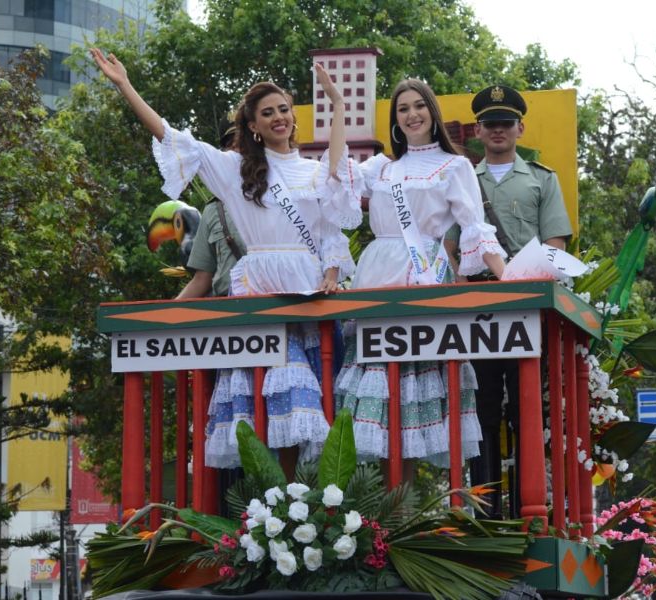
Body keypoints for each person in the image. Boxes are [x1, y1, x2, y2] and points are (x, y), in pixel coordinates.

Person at [90, 48, 362, 473]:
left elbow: (330, 233)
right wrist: (126, 86)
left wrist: (340, 106)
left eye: (284, 109)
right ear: (252, 126)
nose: (279, 118)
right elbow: (170, 136)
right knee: (264, 400)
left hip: (307, 295)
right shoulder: (235, 170)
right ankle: (267, 506)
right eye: (268, 112)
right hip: (258, 291)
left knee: (310, 400)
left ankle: (298, 504)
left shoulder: (312, 172)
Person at [335, 79, 507, 469]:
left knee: (415, 385)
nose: (411, 115)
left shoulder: (455, 165)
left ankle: (411, 511)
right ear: (395, 120)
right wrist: (337, 107)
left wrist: (508, 276)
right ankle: (384, 518)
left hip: (423, 269)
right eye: (402, 109)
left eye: (418, 106)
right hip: (377, 270)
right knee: (378, 393)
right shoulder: (381, 167)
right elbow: (333, 177)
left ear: (432, 111)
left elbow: (475, 227)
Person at [466, 84, 573, 517]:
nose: (497, 130)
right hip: (477, 310)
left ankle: (531, 512)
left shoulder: (543, 179)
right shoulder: (462, 180)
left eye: (505, 123)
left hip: (527, 307)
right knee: (481, 408)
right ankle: (486, 515)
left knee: (528, 408)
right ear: (478, 129)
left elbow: (555, 244)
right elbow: (452, 249)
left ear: (519, 128)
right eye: (490, 123)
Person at [176, 116, 245, 299]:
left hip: (275, 306)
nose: (238, 150)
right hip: (228, 309)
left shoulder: (279, 195)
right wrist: (164, 317)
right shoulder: (214, 209)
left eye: (245, 142)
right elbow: (202, 278)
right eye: (231, 145)